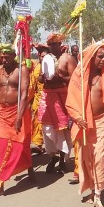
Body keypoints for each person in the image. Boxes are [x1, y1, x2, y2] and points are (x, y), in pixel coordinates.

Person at [66, 44, 104, 207]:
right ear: (91, 57)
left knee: (98, 158)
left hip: (101, 121)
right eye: (100, 57)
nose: (103, 60)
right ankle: (91, 190)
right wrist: (78, 118)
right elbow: (71, 101)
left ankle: (98, 194)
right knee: (87, 159)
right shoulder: (79, 75)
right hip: (84, 123)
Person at [0, 44, 35, 199]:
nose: (4, 59)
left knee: (22, 144)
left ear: (14, 55)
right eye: (2, 57)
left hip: (17, 111)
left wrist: (19, 117)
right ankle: (0, 185)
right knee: (3, 147)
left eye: (8, 56)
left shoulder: (22, 71)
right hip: (2, 113)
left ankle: (30, 169)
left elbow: (24, 95)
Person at [38, 33, 76, 173]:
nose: (52, 47)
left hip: (62, 96)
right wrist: (43, 78)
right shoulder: (46, 59)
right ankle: (52, 156)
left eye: (55, 44)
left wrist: (60, 77)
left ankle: (61, 159)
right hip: (47, 96)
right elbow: (40, 79)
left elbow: (74, 79)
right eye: (50, 44)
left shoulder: (68, 58)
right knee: (48, 129)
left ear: (60, 44)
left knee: (62, 129)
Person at [29, 43, 49, 154]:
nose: (43, 58)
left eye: (45, 56)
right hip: (37, 97)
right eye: (41, 56)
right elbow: (33, 84)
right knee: (36, 121)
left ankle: (43, 143)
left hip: (48, 97)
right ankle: (37, 143)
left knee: (45, 122)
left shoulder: (51, 67)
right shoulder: (36, 67)